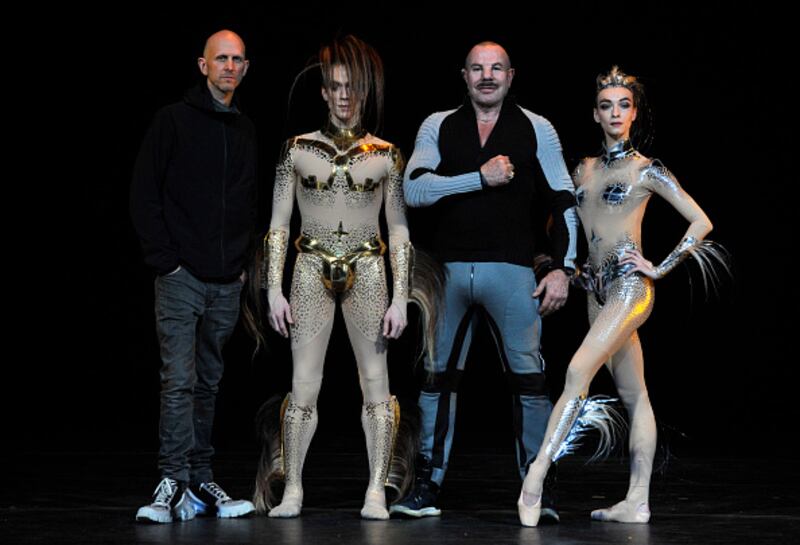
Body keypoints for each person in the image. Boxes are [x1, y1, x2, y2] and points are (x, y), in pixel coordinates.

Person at [518, 66, 721, 526]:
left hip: (631, 288)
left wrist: (659, 267)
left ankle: (535, 477)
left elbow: (701, 221)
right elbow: (560, 221)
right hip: (596, 292)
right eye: (606, 105)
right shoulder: (583, 169)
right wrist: (566, 265)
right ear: (595, 113)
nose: (615, 113)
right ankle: (637, 501)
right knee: (635, 394)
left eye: (623, 105)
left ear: (633, 114)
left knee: (577, 371)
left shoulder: (647, 169)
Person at [391, 41, 578, 520]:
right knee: (436, 379)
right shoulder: (438, 124)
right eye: (478, 68)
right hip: (448, 273)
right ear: (465, 75)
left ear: (511, 76)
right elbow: (413, 189)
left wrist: (564, 268)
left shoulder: (537, 127)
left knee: (530, 381)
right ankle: (426, 485)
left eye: (496, 68)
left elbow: (564, 199)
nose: (487, 76)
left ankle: (537, 487)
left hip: (512, 271)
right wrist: (478, 176)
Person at [254, 35, 411, 521]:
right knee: (303, 386)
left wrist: (401, 297)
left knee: (376, 386)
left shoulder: (387, 154)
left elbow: (399, 229)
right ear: (323, 91)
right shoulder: (296, 150)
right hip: (309, 268)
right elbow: (278, 226)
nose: (345, 96)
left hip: (368, 268)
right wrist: (273, 289)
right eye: (336, 87)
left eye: (353, 87)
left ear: (364, 91)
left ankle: (376, 491)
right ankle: (293, 490)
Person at [129, 29, 257, 523]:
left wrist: (242, 266)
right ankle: (172, 482)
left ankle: (200, 480)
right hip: (181, 277)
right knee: (178, 381)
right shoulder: (173, 120)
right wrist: (167, 261)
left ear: (245, 68)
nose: (229, 66)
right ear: (203, 66)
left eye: (237, 59)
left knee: (208, 382)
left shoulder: (245, 129)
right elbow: (144, 194)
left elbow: (248, 200)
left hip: (226, 281)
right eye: (221, 58)